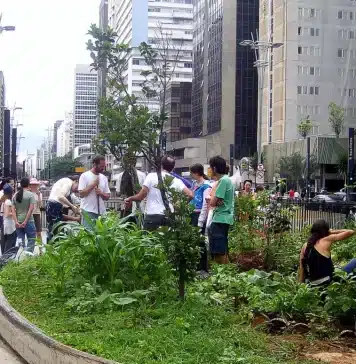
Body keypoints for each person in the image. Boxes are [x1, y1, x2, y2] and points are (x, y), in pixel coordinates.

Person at [125, 156, 193, 231]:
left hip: (152, 216)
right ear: (173, 168)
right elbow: (190, 195)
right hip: (169, 216)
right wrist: (178, 206)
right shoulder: (176, 180)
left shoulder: (151, 176)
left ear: (161, 165)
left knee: (150, 241)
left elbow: (141, 196)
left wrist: (130, 198)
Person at [298, 219, 356, 286]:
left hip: (313, 283)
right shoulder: (327, 240)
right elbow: (351, 232)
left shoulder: (305, 246)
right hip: (330, 282)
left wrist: (300, 286)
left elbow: (302, 268)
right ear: (326, 231)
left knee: (337, 267)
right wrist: (332, 232)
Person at [208, 156, 235, 264]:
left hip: (220, 218)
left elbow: (212, 202)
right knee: (222, 248)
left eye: (210, 167)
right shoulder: (227, 180)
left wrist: (214, 200)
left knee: (218, 251)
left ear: (214, 168)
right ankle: (225, 274)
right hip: (224, 218)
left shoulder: (223, 181)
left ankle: (220, 274)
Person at [190, 163, 212, 272]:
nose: (191, 175)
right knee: (194, 241)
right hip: (193, 214)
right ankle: (196, 265)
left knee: (200, 241)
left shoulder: (206, 186)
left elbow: (205, 205)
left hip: (199, 215)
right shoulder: (195, 184)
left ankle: (202, 267)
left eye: (192, 173)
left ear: (197, 173)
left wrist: (200, 221)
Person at [78, 155, 111, 228]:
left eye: (104, 166)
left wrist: (101, 193)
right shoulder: (84, 176)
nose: (103, 168)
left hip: (102, 212)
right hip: (88, 212)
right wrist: (92, 185)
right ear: (94, 164)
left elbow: (108, 196)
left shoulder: (104, 178)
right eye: (101, 166)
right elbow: (81, 194)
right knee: (89, 236)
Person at [46, 176, 80, 240]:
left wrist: (69, 206)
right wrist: (72, 206)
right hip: (53, 204)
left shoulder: (64, 182)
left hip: (51, 204)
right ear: (76, 181)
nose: (77, 190)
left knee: (53, 229)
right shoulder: (69, 182)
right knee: (56, 230)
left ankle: (51, 246)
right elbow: (60, 196)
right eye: (77, 187)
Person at [12, 177, 37, 252]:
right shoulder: (30, 195)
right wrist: (25, 221)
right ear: (28, 184)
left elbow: (13, 210)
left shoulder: (15, 195)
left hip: (18, 222)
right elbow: (31, 209)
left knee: (21, 241)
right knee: (31, 239)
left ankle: (22, 255)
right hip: (29, 221)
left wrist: (16, 221)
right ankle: (28, 256)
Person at [1, 184, 16, 254]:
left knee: (5, 242)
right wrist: (15, 212)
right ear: (10, 193)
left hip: (5, 223)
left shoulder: (4, 201)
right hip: (9, 224)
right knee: (9, 242)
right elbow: (7, 214)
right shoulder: (8, 202)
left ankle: (4, 258)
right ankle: (6, 259)